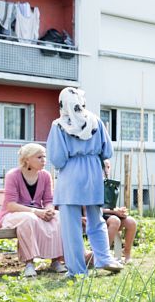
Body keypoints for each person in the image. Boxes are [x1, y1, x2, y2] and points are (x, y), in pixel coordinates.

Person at [46, 87, 123, 277]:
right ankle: (104, 258)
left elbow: (57, 159)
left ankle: (77, 270)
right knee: (96, 221)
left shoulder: (59, 125)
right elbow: (107, 152)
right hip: (93, 174)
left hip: (70, 176)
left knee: (71, 227)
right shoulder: (95, 121)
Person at [0, 143, 65, 277]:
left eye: (44, 157)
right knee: (28, 219)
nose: (44, 160)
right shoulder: (12, 175)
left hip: (37, 214)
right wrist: (36, 212)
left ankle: (56, 260)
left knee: (58, 216)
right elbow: (11, 205)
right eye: (39, 157)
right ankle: (29, 264)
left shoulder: (45, 175)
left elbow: (48, 200)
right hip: (11, 215)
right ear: (27, 159)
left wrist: (49, 210)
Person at [83, 161, 137, 266]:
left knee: (131, 222)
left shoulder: (109, 184)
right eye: (103, 167)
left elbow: (109, 205)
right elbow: (89, 207)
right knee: (115, 221)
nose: (106, 170)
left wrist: (119, 210)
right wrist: (114, 211)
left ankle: (126, 253)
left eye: (108, 167)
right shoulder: (91, 183)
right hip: (94, 215)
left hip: (108, 213)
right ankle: (102, 255)